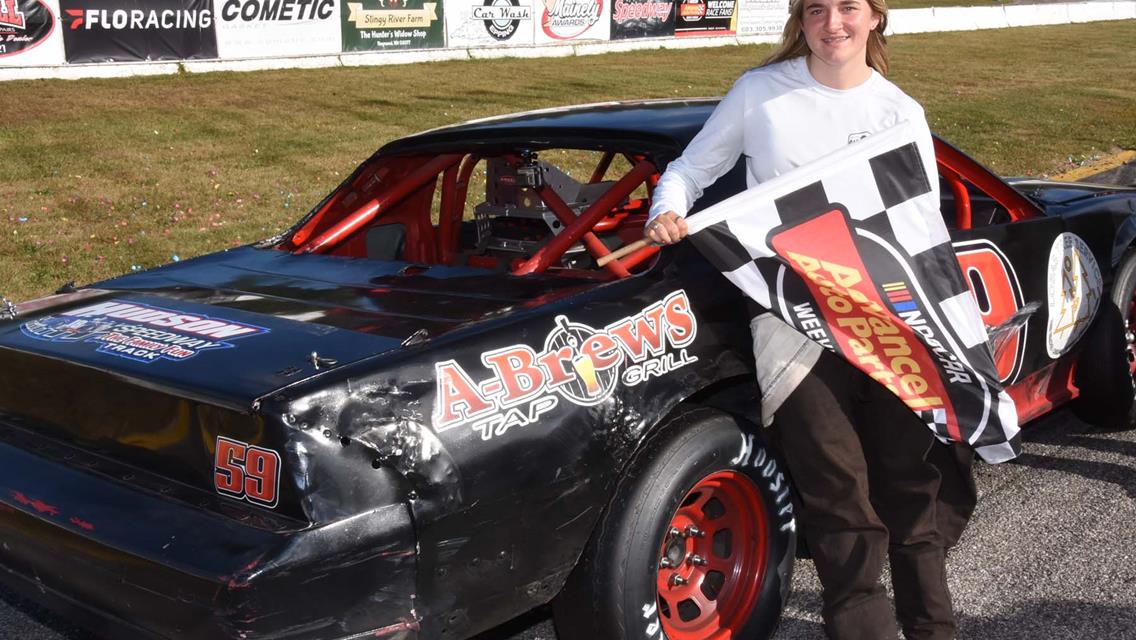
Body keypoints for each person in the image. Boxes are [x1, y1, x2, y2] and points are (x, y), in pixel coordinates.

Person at [644, 0, 978, 639]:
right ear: (800, 18)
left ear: (875, 18)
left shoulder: (898, 113)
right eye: (817, 9)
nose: (833, 23)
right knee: (838, 502)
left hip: (887, 324)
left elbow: (922, 237)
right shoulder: (759, 92)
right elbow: (691, 169)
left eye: (849, 7)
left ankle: (934, 630)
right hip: (791, 323)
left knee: (911, 492)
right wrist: (667, 206)